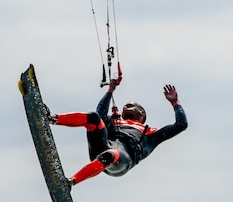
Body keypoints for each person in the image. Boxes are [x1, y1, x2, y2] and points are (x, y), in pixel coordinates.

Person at [48, 79, 188, 188]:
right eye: (125, 106)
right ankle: (51, 119)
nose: (125, 106)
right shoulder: (115, 123)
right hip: (103, 148)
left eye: (131, 105)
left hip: (121, 162)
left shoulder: (151, 134)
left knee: (111, 154)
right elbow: (100, 113)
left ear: (142, 113)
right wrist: (110, 90)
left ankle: (70, 183)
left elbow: (181, 125)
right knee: (94, 118)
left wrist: (175, 102)